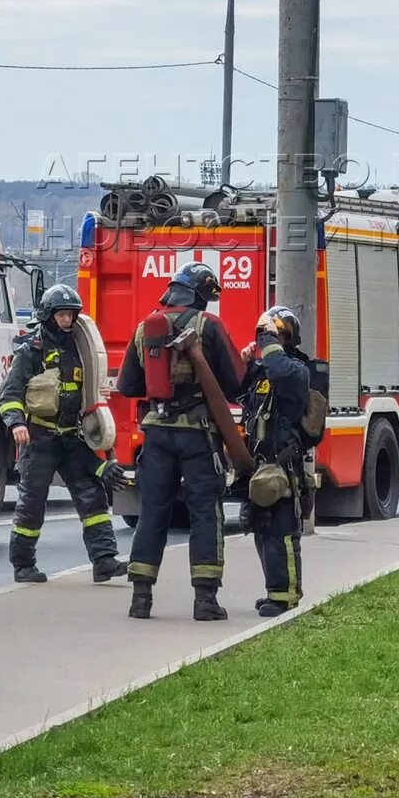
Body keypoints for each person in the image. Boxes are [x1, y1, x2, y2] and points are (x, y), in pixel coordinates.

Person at [115, 262, 244, 621]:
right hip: (199, 435)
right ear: (201, 294)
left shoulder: (145, 328)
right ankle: (205, 601)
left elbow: (128, 387)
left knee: (153, 513)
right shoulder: (209, 326)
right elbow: (235, 382)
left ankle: (141, 598)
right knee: (205, 512)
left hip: (156, 436)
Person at [0, 283, 127, 585]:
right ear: (47, 316)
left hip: (72, 436)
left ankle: (104, 561)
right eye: (62, 315)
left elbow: (92, 389)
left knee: (92, 495)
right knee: (32, 502)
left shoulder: (79, 348)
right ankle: (23, 565)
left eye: (71, 315)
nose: (67, 321)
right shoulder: (30, 350)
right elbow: (9, 394)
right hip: (38, 438)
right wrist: (17, 424)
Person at [238, 305, 313, 616]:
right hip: (258, 464)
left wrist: (267, 343)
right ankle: (274, 590)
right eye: (266, 337)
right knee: (261, 529)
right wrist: (243, 362)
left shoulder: (297, 371)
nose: (268, 342)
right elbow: (233, 386)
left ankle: (286, 597)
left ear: (288, 338)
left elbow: (279, 371)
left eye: (275, 336)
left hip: (284, 466)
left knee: (282, 532)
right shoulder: (260, 373)